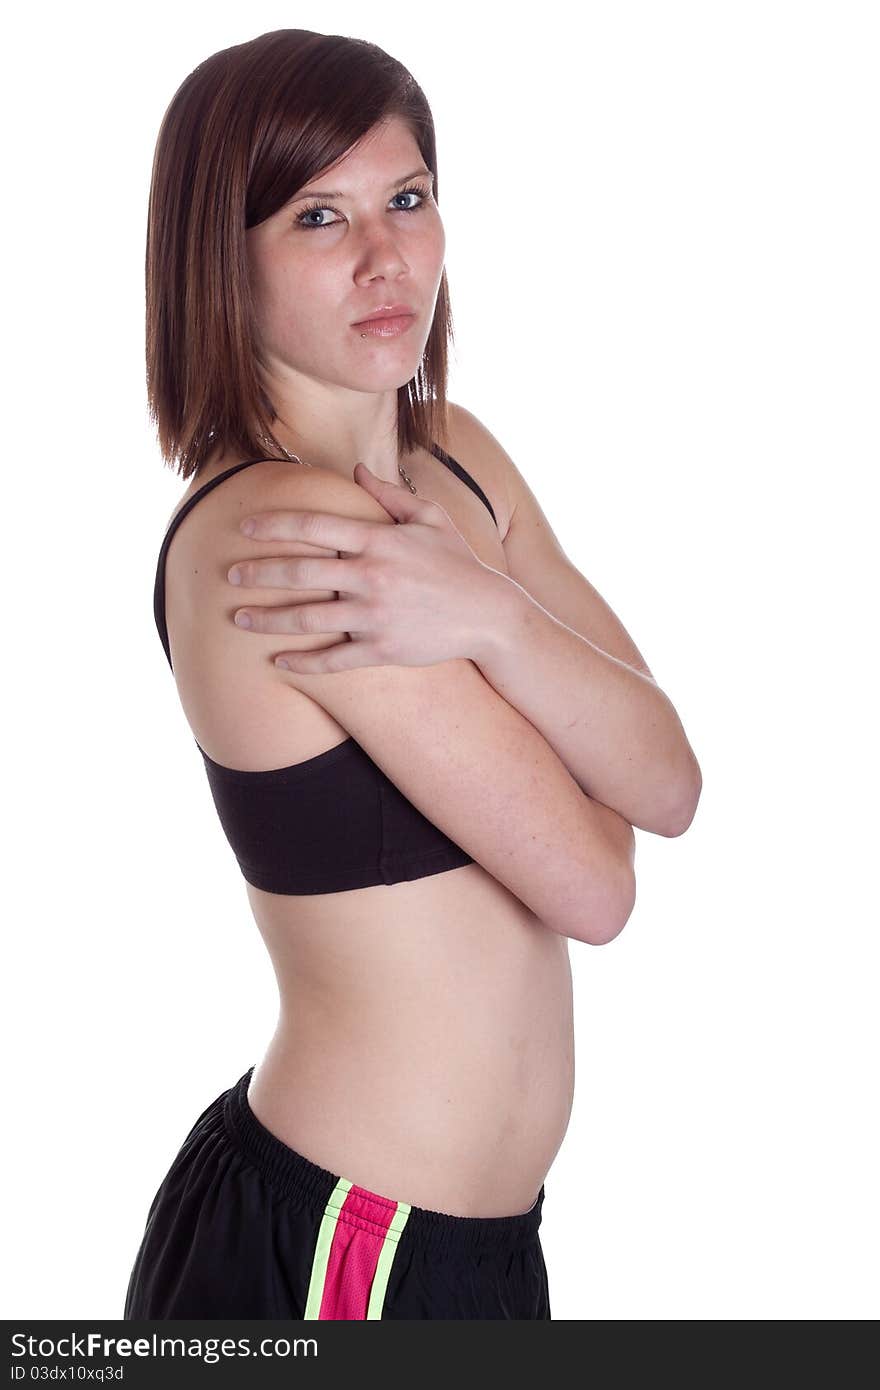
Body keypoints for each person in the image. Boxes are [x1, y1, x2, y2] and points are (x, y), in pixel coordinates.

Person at [124, 28, 701, 1321]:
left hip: (472, 1251)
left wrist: (487, 615)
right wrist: (533, 662)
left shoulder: (457, 459)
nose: (385, 257)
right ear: (225, 260)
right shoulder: (274, 540)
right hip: (346, 1247)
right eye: (319, 216)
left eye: (408, 199)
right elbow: (596, 879)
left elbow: (665, 777)